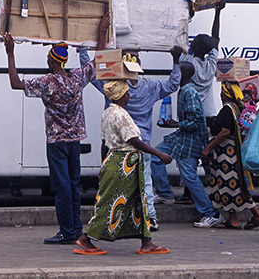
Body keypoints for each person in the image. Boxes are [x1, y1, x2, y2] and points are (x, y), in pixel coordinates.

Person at [2, 13, 109, 245]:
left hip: (56, 142)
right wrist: (101, 30)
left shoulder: (46, 83)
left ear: (52, 62)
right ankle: (76, 229)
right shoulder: (77, 78)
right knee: (73, 186)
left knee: (62, 188)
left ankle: (67, 231)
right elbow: (98, 59)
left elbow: (15, 83)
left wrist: (10, 53)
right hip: (75, 141)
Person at [78, 46, 182, 231]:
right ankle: (149, 217)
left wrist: (83, 49)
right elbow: (173, 84)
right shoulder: (150, 87)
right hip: (143, 144)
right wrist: (175, 60)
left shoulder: (114, 87)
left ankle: (115, 220)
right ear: (138, 65)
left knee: (118, 185)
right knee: (145, 182)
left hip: (118, 147)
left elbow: (90, 73)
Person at [74, 81, 172, 255]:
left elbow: (104, 143)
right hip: (124, 164)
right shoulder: (121, 115)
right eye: (127, 93)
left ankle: (146, 241)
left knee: (138, 202)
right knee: (110, 203)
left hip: (116, 161)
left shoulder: (107, 112)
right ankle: (86, 239)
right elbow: (134, 140)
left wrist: (104, 164)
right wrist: (159, 154)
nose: (129, 96)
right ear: (122, 96)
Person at [151, 62, 221, 228]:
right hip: (181, 137)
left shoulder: (189, 92)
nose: (173, 75)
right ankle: (165, 194)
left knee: (189, 176)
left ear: (183, 74)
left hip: (190, 141)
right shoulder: (184, 90)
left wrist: (176, 124)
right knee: (155, 156)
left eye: (176, 72)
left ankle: (211, 213)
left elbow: (195, 121)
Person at [201, 82, 259, 230]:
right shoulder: (238, 108)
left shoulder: (227, 109)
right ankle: (233, 220)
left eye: (222, 92)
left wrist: (208, 148)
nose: (220, 94)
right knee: (227, 186)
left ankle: (258, 215)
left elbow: (225, 132)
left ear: (225, 94)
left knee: (232, 186)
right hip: (233, 153)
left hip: (227, 155)